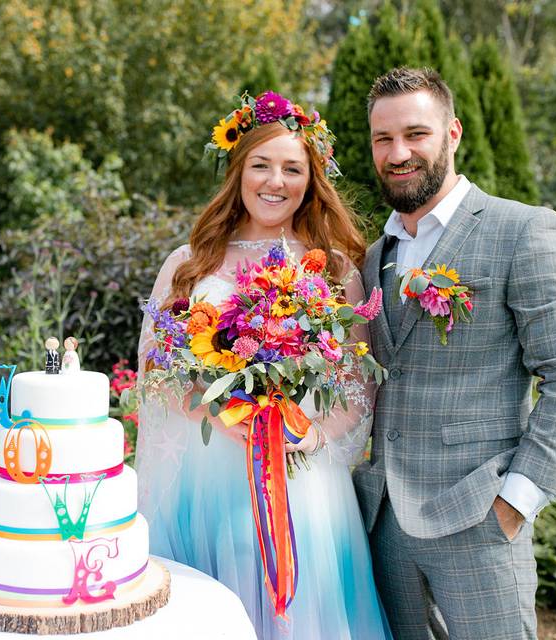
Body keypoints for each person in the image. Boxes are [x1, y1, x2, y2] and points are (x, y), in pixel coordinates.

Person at [353, 66, 556, 639]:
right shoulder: (373, 257)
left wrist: (515, 501)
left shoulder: (525, 231)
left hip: (479, 520)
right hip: (384, 524)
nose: (398, 153)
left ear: (453, 133)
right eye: (382, 138)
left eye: (416, 134)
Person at [135, 92, 392, 640]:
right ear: (238, 170)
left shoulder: (335, 269)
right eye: (261, 164)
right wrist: (222, 413)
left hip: (301, 485)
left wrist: (311, 436)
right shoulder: (187, 264)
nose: (275, 181)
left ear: (311, 179)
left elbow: (355, 387)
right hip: (205, 481)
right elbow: (157, 374)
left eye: (292, 168)